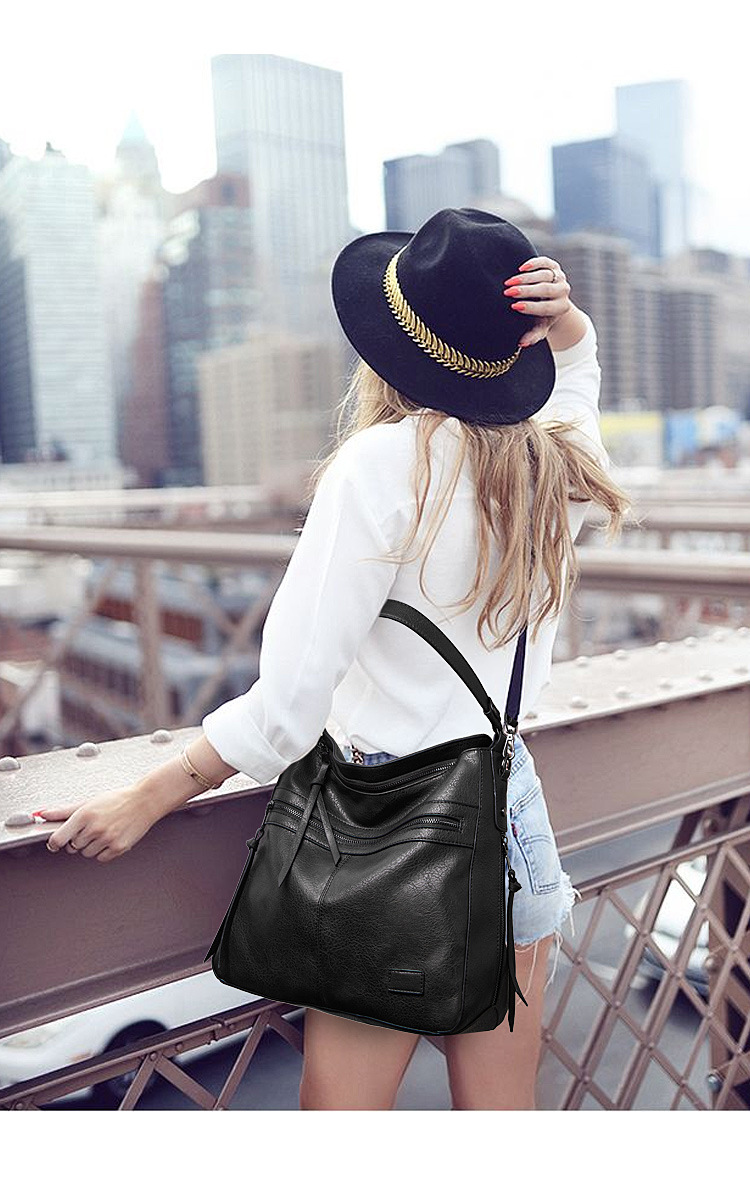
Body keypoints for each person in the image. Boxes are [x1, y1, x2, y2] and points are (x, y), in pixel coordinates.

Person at [38, 208, 631, 1110]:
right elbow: (577, 395)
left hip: (390, 841)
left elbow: (287, 710)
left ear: (390, 348)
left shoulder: (380, 467)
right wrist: (573, 329)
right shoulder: (555, 470)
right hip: (513, 822)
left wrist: (150, 792)